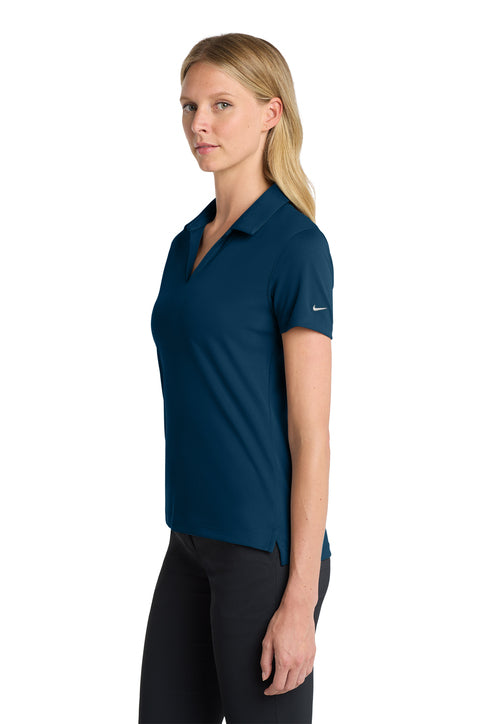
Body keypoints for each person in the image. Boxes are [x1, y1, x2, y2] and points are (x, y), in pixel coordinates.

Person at [138, 32, 334, 724]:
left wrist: (299, 598)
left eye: (222, 104)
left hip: (262, 553)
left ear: (271, 113)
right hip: (188, 539)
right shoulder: (185, 244)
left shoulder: (295, 246)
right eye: (189, 106)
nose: (200, 123)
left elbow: (311, 435)